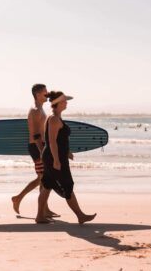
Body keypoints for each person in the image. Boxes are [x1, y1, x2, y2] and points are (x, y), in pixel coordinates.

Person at [35, 91, 97, 224]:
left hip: (54, 156)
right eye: (64, 101)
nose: (66, 103)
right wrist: (57, 160)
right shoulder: (54, 119)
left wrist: (67, 151)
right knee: (67, 184)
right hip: (54, 157)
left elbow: (59, 140)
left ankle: (40, 216)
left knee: (47, 185)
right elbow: (51, 141)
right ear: (58, 103)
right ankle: (80, 215)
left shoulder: (56, 118)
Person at [11, 84, 58, 217]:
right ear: (37, 95)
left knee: (44, 178)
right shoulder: (36, 110)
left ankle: (45, 209)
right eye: (45, 92)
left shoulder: (40, 109)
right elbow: (35, 134)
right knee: (43, 178)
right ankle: (18, 198)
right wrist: (43, 152)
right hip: (37, 147)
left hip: (40, 146)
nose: (47, 94)